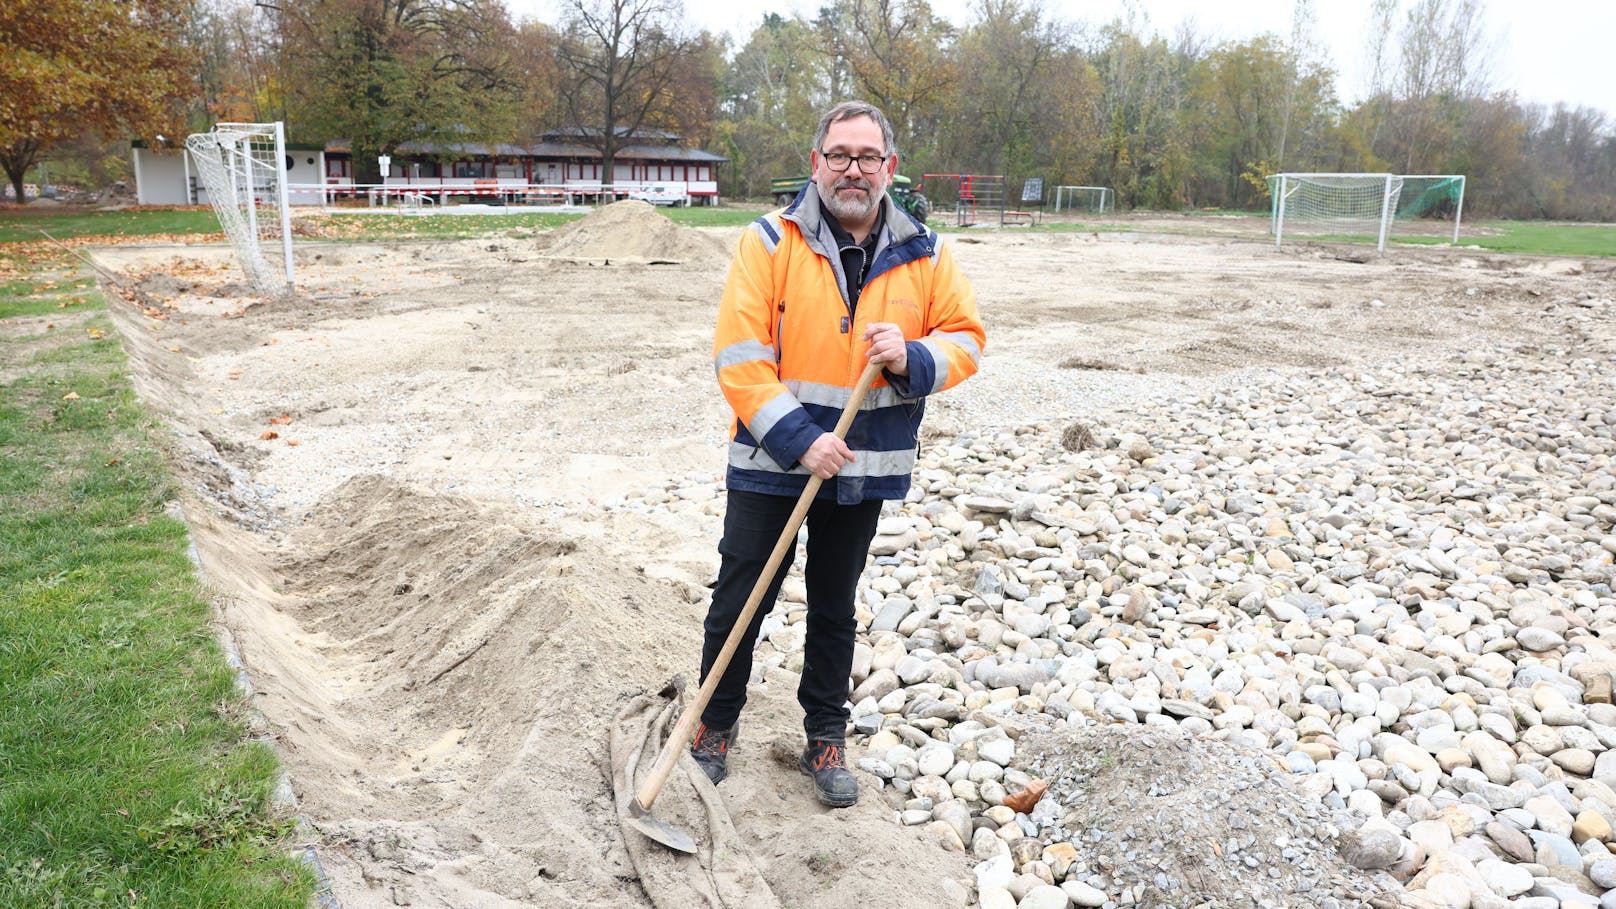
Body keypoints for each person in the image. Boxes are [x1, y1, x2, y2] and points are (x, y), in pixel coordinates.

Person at [692, 100, 985, 807]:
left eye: (867, 157)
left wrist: (912, 354)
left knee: (834, 606)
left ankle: (825, 736)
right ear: (816, 164)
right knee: (742, 597)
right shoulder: (769, 241)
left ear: (890, 168)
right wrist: (799, 439)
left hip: (862, 467)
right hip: (773, 463)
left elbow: (967, 340)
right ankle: (711, 726)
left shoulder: (927, 251)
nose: (853, 169)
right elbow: (739, 358)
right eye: (839, 155)